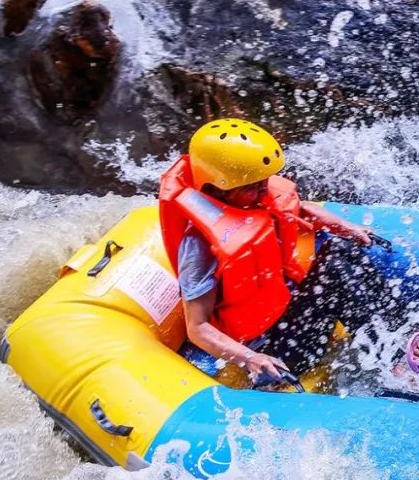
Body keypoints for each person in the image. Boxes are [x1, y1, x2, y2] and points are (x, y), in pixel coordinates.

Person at [158, 117, 400, 386]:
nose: (264, 190)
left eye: (265, 181)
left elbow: (297, 207)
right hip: (275, 348)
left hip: (286, 311)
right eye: (252, 186)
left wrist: (344, 225)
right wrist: (251, 358)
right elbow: (197, 328)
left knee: (340, 249)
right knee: (335, 271)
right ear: (218, 187)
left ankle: (400, 331)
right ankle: (397, 362)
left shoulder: (251, 197)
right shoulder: (199, 245)